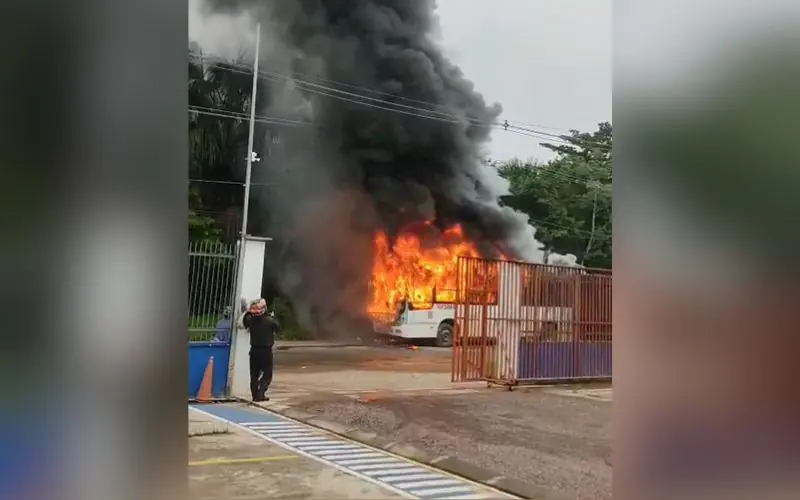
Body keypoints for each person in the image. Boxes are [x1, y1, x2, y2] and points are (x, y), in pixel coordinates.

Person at [241, 298, 280, 402]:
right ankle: (261, 393)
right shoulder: (269, 321)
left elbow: (245, 319)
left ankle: (255, 395)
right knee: (267, 374)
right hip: (266, 351)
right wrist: (271, 315)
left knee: (254, 375)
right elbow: (277, 327)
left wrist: (249, 310)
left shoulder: (250, 320)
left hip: (254, 351)